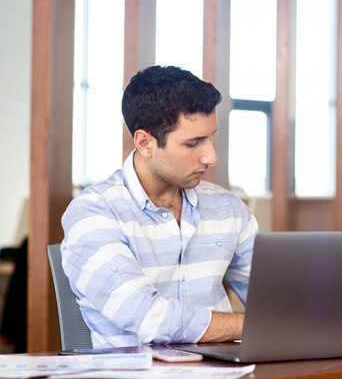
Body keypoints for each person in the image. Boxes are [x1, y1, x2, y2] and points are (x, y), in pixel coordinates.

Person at [61, 65, 258, 348]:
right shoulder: (93, 213)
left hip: (227, 372)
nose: (211, 156)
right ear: (145, 143)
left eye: (211, 136)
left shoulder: (228, 208)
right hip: (134, 378)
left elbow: (277, 304)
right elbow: (151, 319)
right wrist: (253, 326)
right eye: (194, 143)